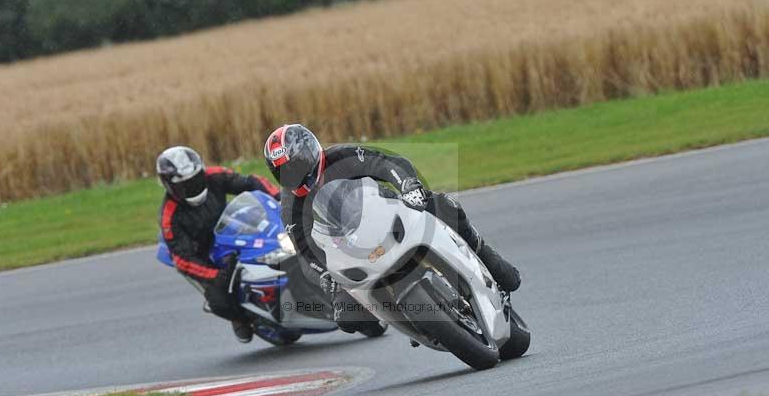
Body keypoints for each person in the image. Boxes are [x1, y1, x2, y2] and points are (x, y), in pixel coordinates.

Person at [263, 124, 520, 333]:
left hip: (387, 212)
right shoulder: (290, 206)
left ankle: (492, 263)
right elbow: (306, 253)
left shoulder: (341, 157)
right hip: (349, 250)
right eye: (283, 172)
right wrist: (326, 276)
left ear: (310, 152)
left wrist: (408, 185)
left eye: (295, 165)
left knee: (443, 205)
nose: (292, 175)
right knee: (347, 319)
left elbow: (387, 163)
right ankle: (414, 323)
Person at [157, 145, 280, 343]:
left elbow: (252, 182)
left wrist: (278, 198)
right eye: (185, 185)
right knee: (219, 299)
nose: (193, 187)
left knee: (271, 238)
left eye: (195, 180)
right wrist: (215, 275)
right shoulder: (170, 216)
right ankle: (242, 319)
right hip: (203, 253)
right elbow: (181, 259)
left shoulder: (214, 176)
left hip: (229, 229)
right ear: (170, 186)